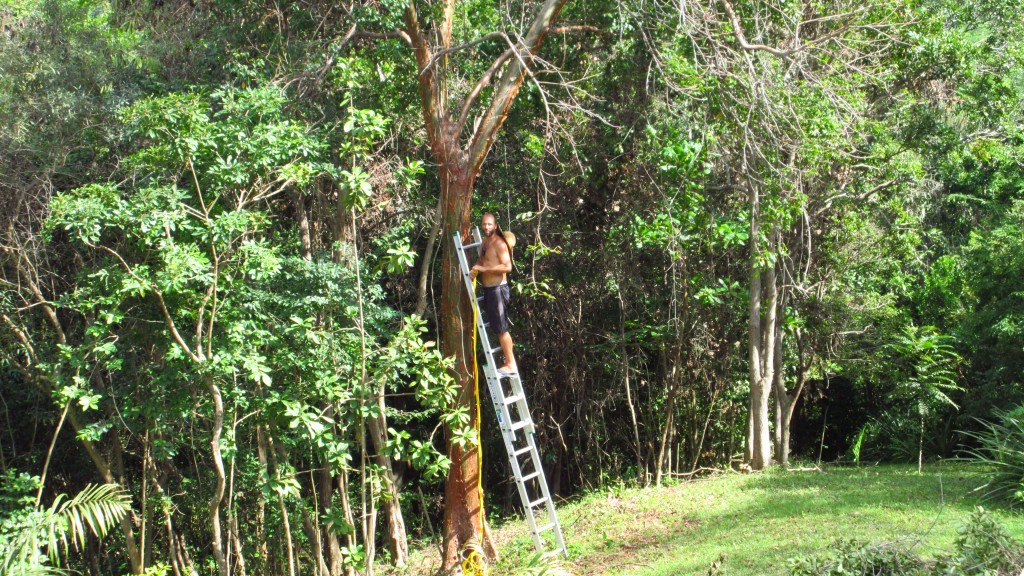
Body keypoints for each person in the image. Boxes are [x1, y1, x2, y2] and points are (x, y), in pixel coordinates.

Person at [470, 213, 517, 375]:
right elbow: (482, 261)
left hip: (498, 289)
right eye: (484, 224)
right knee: (497, 328)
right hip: (489, 289)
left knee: (501, 328)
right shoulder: (485, 241)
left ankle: (510, 363)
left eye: (489, 224)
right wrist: (476, 269)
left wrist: (485, 269)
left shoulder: (499, 244)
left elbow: (507, 267)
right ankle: (508, 361)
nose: (486, 227)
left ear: (495, 226)